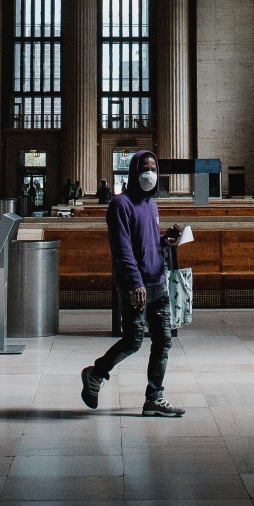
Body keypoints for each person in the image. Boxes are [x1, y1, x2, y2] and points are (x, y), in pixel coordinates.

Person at [82, 152, 183, 417]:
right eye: (144, 168)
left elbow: (147, 243)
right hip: (134, 286)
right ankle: (96, 373)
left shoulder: (152, 204)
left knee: (163, 341)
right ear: (134, 171)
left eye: (153, 168)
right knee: (133, 340)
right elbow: (123, 249)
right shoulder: (120, 204)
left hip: (157, 283)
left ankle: (154, 397)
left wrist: (166, 240)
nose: (149, 173)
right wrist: (136, 282)